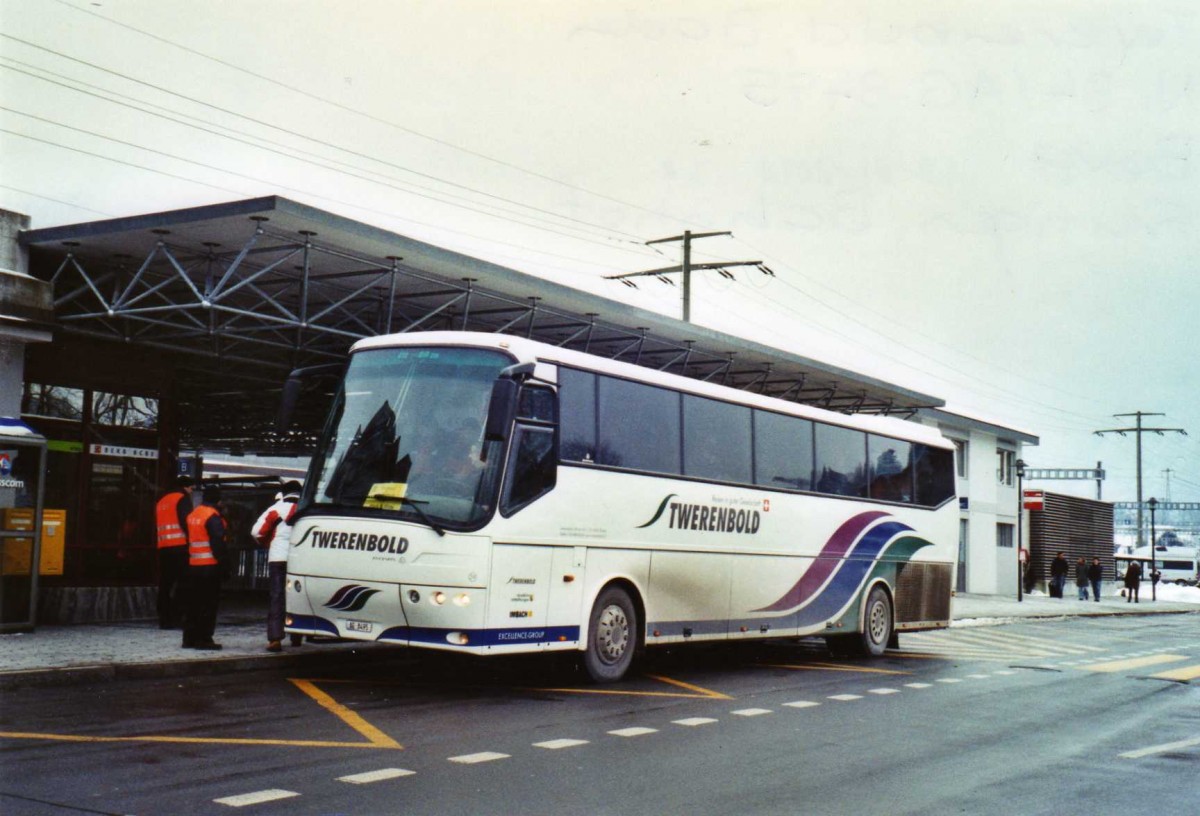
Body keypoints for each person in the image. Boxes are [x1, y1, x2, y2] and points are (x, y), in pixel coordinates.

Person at [252, 480, 303, 652]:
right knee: (298, 596)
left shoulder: (275, 509)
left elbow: (257, 532)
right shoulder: (306, 509)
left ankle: (275, 639)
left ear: (284, 492)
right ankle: (297, 636)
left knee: (277, 596)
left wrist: (269, 543)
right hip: (300, 559)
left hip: (278, 559)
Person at [183, 486, 228, 650]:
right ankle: (204, 639)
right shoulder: (213, 516)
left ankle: (189, 639)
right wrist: (224, 565)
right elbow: (218, 543)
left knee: (193, 604)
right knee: (208, 604)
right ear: (218, 500)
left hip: (194, 565)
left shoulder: (193, 514)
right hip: (210, 567)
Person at [154, 476, 194, 629]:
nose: (191, 491)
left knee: (165, 583)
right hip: (180, 547)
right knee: (183, 583)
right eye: (191, 488)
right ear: (185, 487)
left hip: (164, 547)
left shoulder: (162, 500)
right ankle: (176, 617)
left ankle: (163, 618)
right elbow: (186, 522)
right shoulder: (182, 499)